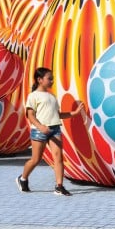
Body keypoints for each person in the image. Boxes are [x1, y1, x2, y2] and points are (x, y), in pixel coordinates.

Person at [17, 67, 84, 196]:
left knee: (58, 158)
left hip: (55, 129)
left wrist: (74, 113)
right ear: (39, 80)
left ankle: (59, 186)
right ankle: (23, 178)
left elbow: (57, 114)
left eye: (52, 78)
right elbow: (30, 115)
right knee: (36, 159)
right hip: (39, 131)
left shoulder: (52, 97)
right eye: (49, 78)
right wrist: (40, 126)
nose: (52, 81)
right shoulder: (33, 96)